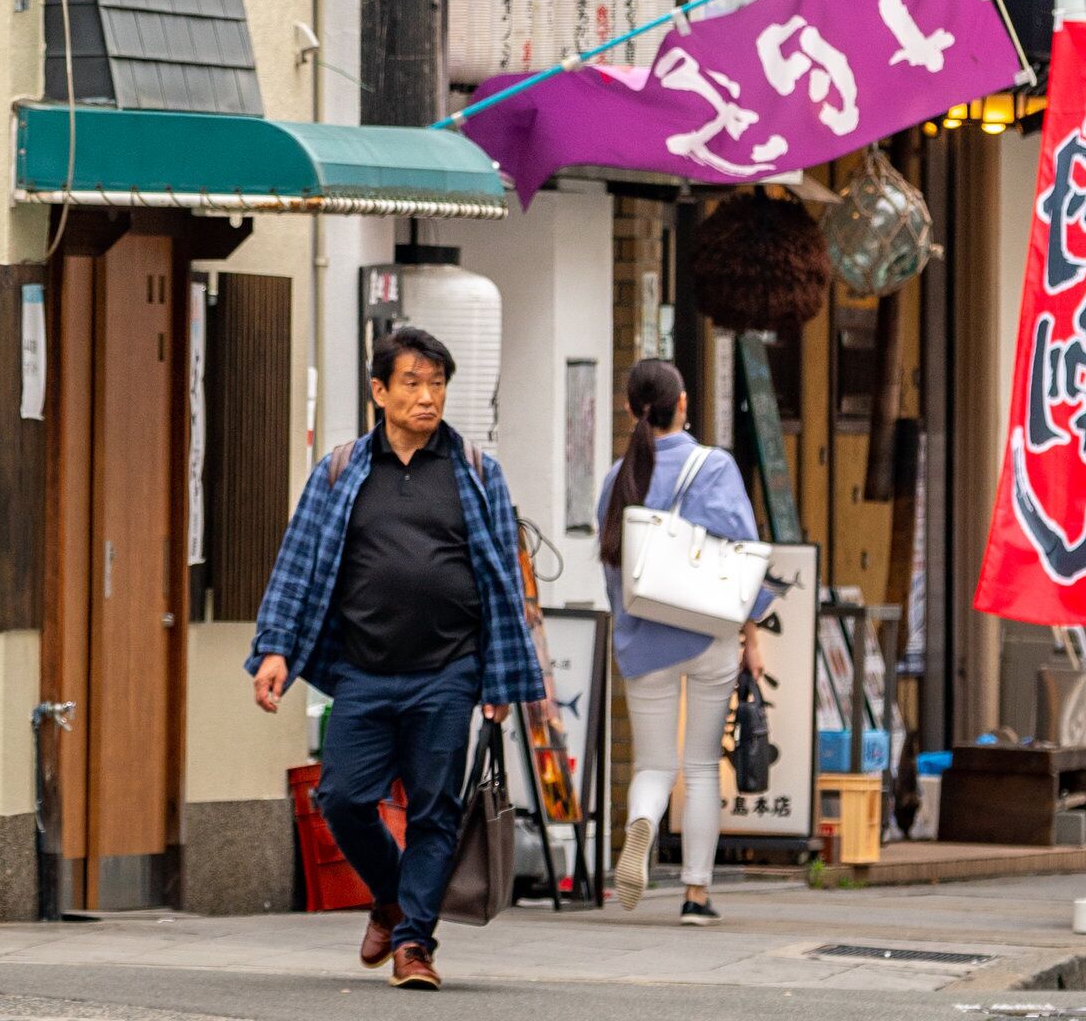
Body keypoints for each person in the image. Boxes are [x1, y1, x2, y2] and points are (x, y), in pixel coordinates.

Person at [248, 327, 545, 992]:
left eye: (436, 383)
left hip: (449, 670)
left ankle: (414, 943)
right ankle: (390, 895)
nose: (426, 396)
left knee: (435, 811)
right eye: (411, 382)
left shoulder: (474, 469)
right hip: (363, 668)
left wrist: (500, 675)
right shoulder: (339, 469)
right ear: (379, 391)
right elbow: (297, 567)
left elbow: (502, 576)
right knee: (343, 798)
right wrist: (276, 649)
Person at [593, 359, 775, 924]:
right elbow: (743, 560)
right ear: (685, 404)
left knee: (653, 765)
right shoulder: (715, 467)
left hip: (645, 640)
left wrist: (630, 629)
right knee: (699, 768)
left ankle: (641, 823)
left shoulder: (617, 478)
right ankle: (696, 895)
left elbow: (613, 573)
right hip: (709, 637)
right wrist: (751, 635)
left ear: (630, 409)